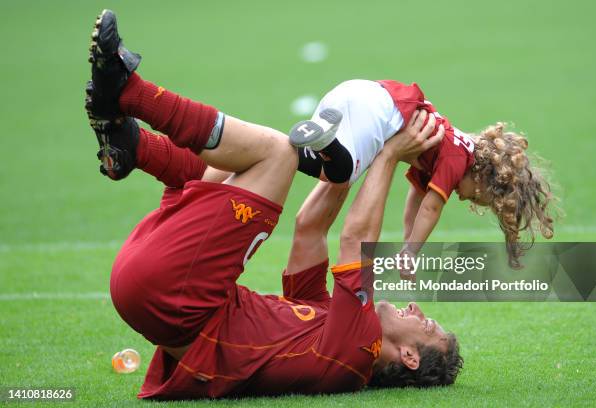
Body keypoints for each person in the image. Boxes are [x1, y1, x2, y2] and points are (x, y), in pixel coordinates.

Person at [84, 10, 461, 399]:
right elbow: (310, 228)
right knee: (227, 167)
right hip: (160, 295)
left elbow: (355, 239)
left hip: (175, 299)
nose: (416, 307)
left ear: (409, 357)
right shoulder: (332, 329)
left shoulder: (358, 352)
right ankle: (135, 148)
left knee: (278, 155)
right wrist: (350, 159)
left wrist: (389, 153)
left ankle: (129, 93)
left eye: (427, 325)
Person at [289, 79, 557, 271]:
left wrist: (408, 242)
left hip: (355, 94)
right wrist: (412, 252)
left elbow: (416, 199)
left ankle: (281, 148)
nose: (465, 200)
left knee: (318, 165)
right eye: (477, 197)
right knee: (342, 173)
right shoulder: (456, 158)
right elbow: (430, 207)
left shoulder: (445, 153)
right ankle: (323, 143)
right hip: (374, 111)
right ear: (484, 175)